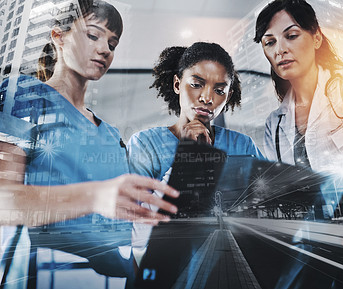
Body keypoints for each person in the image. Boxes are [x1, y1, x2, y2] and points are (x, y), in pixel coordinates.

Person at [0, 1, 178, 288]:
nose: (105, 49)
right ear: (58, 37)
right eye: (93, 35)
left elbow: (119, 236)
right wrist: (95, 196)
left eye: (113, 43)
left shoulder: (110, 135)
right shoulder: (23, 97)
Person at [253, 0, 343, 288]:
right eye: (269, 43)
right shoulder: (275, 123)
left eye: (291, 36)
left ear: (317, 37)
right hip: (311, 253)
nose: (279, 49)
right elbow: (276, 191)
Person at [127, 42, 264, 252]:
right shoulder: (145, 145)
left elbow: (263, 206)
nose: (207, 98)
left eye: (219, 90)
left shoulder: (243, 145)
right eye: (196, 84)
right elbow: (136, 232)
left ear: (228, 96)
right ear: (176, 84)